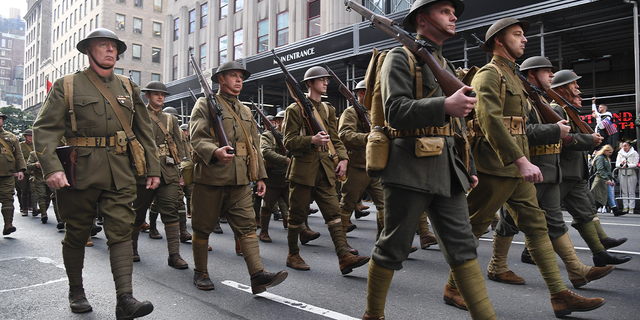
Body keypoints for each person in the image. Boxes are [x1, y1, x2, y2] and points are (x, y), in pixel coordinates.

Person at [363, 1, 495, 319]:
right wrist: (444, 105)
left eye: (453, 12)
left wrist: (468, 167)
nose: (453, 17)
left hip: (448, 170)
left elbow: (459, 125)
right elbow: (394, 111)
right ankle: (373, 314)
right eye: (445, 12)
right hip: (409, 166)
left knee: (463, 246)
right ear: (423, 20)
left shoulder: (441, 60)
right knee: (393, 246)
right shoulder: (400, 56)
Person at [466, 17, 604, 317]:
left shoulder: (513, 77)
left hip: (517, 167)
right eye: (517, 35)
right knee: (473, 227)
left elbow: (522, 125)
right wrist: (520, 158)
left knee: (537, 226)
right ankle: (455, 287)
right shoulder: (489, 75)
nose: (524, 39)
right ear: (499, 41)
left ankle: (560, 295)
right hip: (496, 165)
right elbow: (489, 121)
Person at [32, 28, 159, 319]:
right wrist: (52, 168)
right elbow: (45, 130)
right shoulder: (68, 85)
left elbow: (145, 132)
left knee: (121, 231)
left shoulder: (129, 87)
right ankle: (76, 290)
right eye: (103, 46)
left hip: (120, 169)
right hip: (79, 170)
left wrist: (153, 168)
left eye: (114, 47)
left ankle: (125, 299)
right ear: (89, 51)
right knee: (77, 232)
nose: (110, 51)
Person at [488, 56, 614, 289]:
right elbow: (519, 130)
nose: (552, 77)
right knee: (509, 221)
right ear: (533, 75)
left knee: (555, 222)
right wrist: (554, 130)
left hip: (551, 170)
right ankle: (497, 265)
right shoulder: (525, 100)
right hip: (532, 168)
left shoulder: (542, 101)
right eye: (547, 72)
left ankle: (576, 271)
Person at [189, 61, 288, 294]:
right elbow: (197, 136)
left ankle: (257, 275)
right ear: (220, 79)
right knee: (202, 228)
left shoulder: (244, 110)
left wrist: (260, 176)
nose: (238, 80)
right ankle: (200, 272)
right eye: (233, 76)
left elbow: (254, 146)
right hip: (211, 178)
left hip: (241, 180)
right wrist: (213, 151)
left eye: (241, 77)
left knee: (246, 227)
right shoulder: (204, 104)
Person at [282, 64, 370, 274]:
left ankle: (343, 257)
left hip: (325, 170)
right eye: (321, 80)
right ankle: (293, 254)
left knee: (333, 213)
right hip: (303, 171)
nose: (325, 82)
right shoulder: (294, 109)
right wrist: (310, 140)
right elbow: (288, 141)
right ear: (309, 83)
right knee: (296, 215)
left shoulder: (328, 109)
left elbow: (336, 138)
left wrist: (343, 159)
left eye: (327, 80)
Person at [549, 70, 631, 267]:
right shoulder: (556, 110)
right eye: (573, 85)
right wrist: (589, 140)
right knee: (546, 216)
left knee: (586, 212)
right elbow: (561, 140)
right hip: (561, 172)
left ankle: (599, 252)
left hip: (574, 173)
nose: (578, 89)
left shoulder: (567, 110)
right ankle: (529, 250)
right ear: (561, 88)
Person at [129, 82, 189, 268]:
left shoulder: (171, 119)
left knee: (170, 212)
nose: (160, 97)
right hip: (144, 171)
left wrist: (179, 171)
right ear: (147, 95)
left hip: (168, 171)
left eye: (162, 95)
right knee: (138, 212)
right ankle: (132, 248)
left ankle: (174, 255)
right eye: (156, 94)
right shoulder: (137, 116)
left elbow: (178, 147)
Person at [337, 80, 384, 255]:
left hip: (376, 165)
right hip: (357, 165)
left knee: (384, 204)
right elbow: (344, 136)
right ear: (359, 94)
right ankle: (341, 244)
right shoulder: (350, 112)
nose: (366, 95)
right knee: (348, 204)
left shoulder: (375, 113)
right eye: (363, 92)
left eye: (368, 91)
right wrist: (367, 137)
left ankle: (383, 241)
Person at [258, 110, 289, 242]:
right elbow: (266, 152)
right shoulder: (268, 136)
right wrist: (285, 160)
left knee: (295, 206)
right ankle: (264, 232)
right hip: (273, 178)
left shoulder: (290, 135)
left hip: (289, 177)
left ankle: (303, 231)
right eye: (283, 119)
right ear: (278, 121)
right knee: (267, 207)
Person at [0, 112, 26, 235]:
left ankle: (8, 224)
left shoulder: (11, 137)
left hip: (7, 175)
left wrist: (21, 170)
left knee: (8, 198)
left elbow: (18, 155)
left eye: (0, 118)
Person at [590, 145, 624, 215]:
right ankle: (592, 209)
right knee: (600, 195)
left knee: (608, 194)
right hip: (601, 179)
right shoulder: (600, 158)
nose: (611, 154)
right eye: (610, 152)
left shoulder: (605, 158)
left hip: (604, 178)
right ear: (605, 151)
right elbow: (600, 169)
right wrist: (607, 179)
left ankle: (615, 209)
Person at [18, 129, 36, 216]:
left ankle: (33, 207)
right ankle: (24, 208)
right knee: (24, 190)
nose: (30, 137)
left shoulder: (36, 145)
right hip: (24, 170)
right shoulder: (20, 146)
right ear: (25, 137)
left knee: (34, 190)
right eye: (28, 136)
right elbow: (17, 158)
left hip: (33, 170)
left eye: (32, 136)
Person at [616, 141, 638, 213]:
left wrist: (628, 166)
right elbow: (617, 163)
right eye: (623, 146)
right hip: (622, 173)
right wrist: (621, 165)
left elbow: (635, 163)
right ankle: (625, 206)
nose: (624, 147)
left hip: (631, 173)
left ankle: (631, 207)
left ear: (629, 146)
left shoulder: (634, 153)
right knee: (624, 191)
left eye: (625, 146)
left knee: (631, 191)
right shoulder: (620, 153)